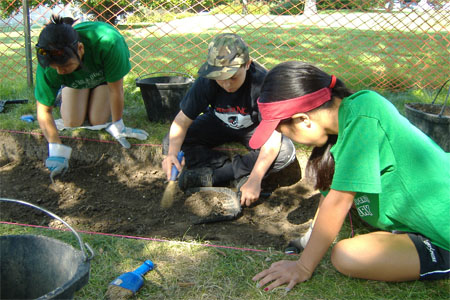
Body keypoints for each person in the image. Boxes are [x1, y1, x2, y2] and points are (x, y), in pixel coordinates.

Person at [249, 61, 450, 291]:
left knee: (346, 256)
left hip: (443, 228)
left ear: (304, 119)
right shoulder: (340, 127)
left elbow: (338, 201)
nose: (290, 139)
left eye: (284, 132)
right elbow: (330, 195)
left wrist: (303, 267)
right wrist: (308, 239)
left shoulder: (364, 114)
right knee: (348, 253)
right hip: (422, 224)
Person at [161, 33, 299, 206]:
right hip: (218, 122)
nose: (226, 84)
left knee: (285, 152)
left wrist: (255, 179)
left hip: (255, 128)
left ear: (247, 65)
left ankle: (219, 175)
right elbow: (181, 122)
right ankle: (234, 171)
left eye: (233, 77)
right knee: (170, 141)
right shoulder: (206, 82)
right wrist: (172, 155)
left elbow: (273, 137)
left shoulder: (264, 84)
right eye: (220, 78)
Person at [35, 15, 148, 181]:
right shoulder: (48, 64)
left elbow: (116, 90)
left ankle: (89, 94)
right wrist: (56, 148)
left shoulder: (108, 42)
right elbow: (44, 110)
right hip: (75, 83)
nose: (60, 71)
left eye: (65, 66)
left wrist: (118, 124)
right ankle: (65, 94)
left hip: (103, 80)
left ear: (80, 48)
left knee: (98, 120)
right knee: (72, 122)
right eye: (56, 68)